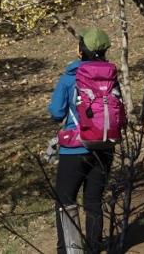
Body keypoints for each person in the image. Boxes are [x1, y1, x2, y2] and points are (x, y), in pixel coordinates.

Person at [48, 28, 118, 254]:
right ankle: (94, 249)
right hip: (105, 146)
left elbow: (57, 113)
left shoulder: (70, 77)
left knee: (66, 203)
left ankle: (68, 250)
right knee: (93, 202)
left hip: (74, 149)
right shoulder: (110, 76)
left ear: (80, 50)